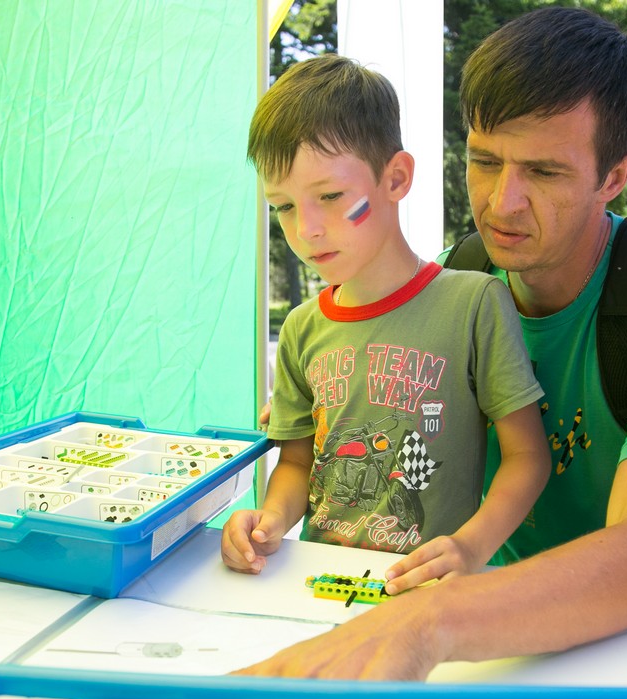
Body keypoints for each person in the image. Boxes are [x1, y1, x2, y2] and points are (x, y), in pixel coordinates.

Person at [233, 7, 627, 681]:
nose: (502, 203)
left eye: (545, 172)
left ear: (615, 176)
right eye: (484, 161)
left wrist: (428, 622)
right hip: (482, 626)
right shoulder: (455, 279)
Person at [223, 55, 550, 582]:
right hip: (317, 588)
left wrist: (469, 548)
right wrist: (269, 521)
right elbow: (296, 464)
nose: (306, 229)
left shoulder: (474, 305)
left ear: (396, 178)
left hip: (429, 592)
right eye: (283, 206)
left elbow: (528, 456)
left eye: (331, 196)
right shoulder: (301, 330)